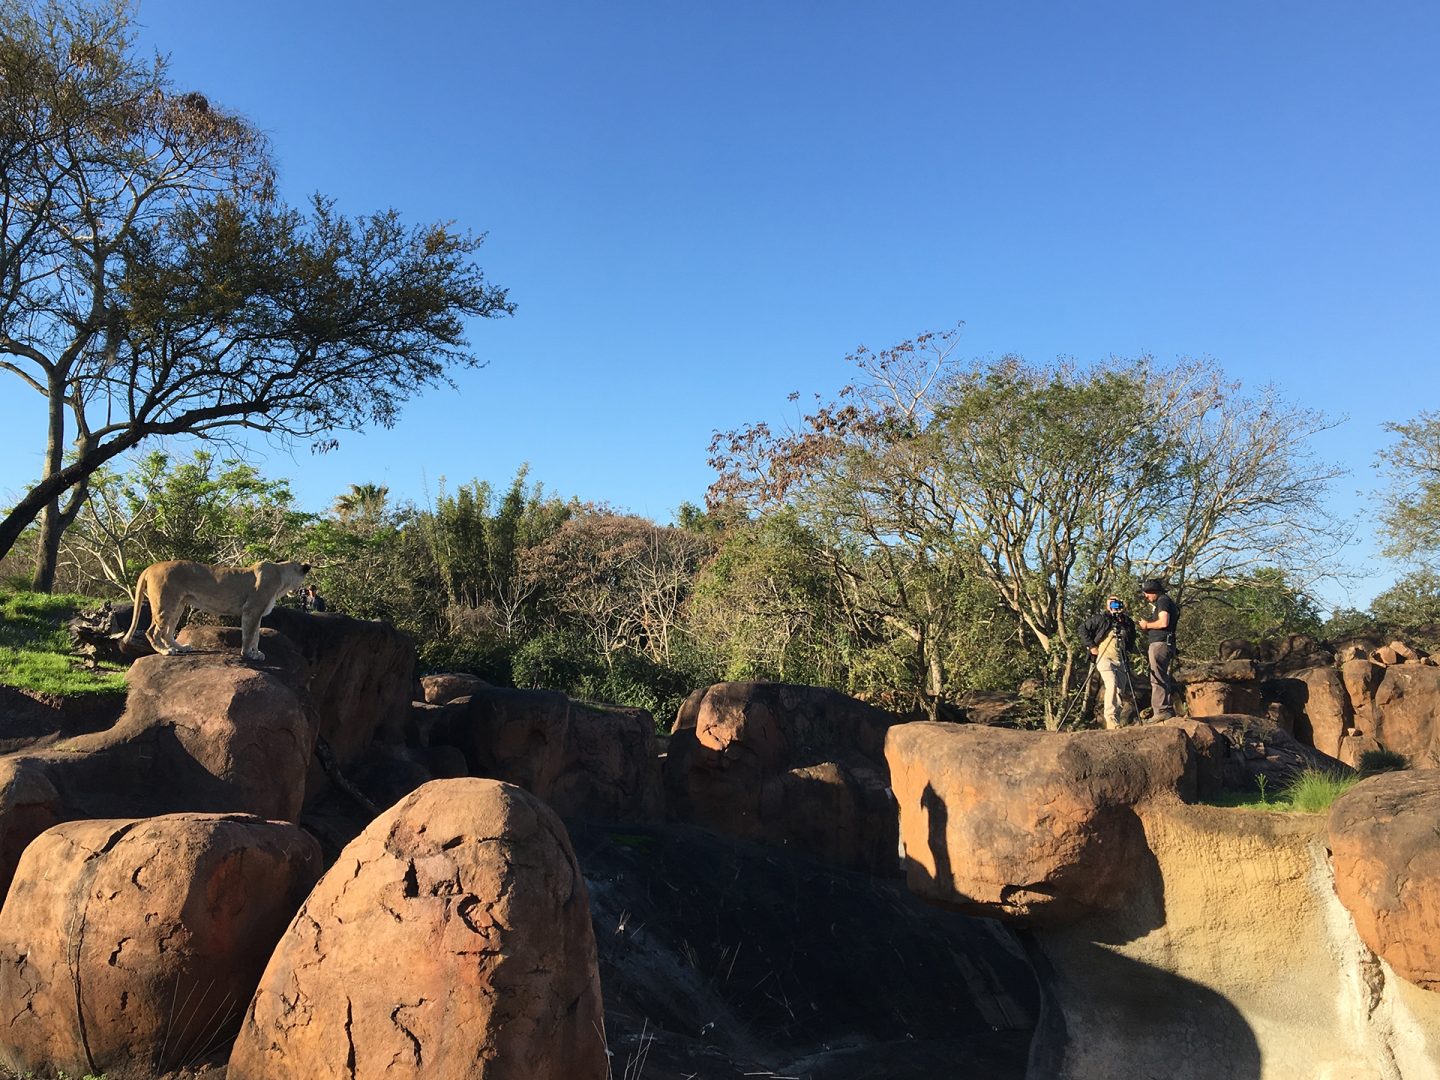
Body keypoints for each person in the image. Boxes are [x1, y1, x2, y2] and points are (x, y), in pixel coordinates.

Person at [1079, 595, 1137, 729]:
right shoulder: (1101, 619)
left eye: (1117, 603)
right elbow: (1082, 628)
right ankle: (1110, 718)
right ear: (1107, 606)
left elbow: (1131, 638)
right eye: (1111, 603)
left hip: (1120, 659)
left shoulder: (1126, 621)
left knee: (1119, 689)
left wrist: (1124, 622)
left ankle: (1115, 719)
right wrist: (1091, 646)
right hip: (1104, 657)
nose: (1114, 606)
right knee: (1112, 684)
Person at [1136, 578, 1179, 720]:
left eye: (1147, 592)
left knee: (1157, 678)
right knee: (1161, 677)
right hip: (1164, 643)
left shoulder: (1163, 601)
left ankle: (1161, 711)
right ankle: (1165, 709)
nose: (1146, 596)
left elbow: (1163, 622)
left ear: (1154, 591)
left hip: (1160, 644)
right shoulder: (1165, 601)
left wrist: (1147, 625)